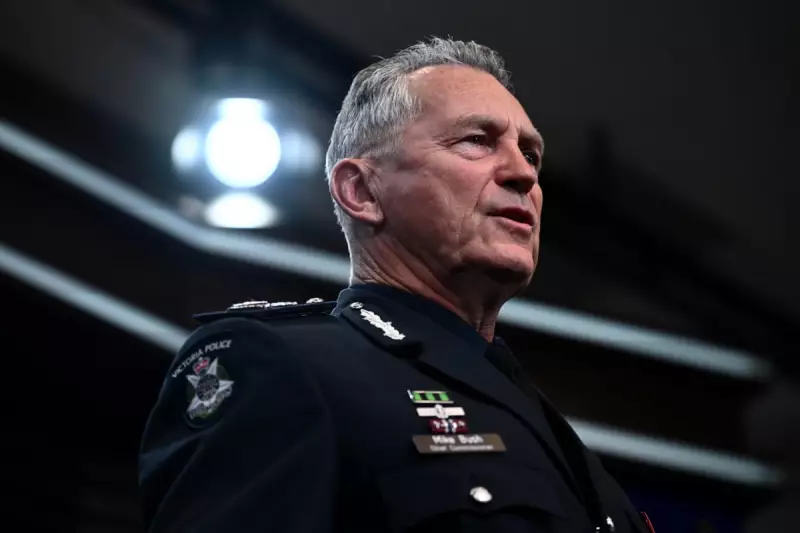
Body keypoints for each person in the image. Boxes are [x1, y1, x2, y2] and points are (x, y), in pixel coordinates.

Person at [139, 37, 655, 533]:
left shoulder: (551, 431)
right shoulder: (282, 366)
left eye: (532, 155)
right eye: (477, 141)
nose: (523, 174)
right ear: (362, 190)